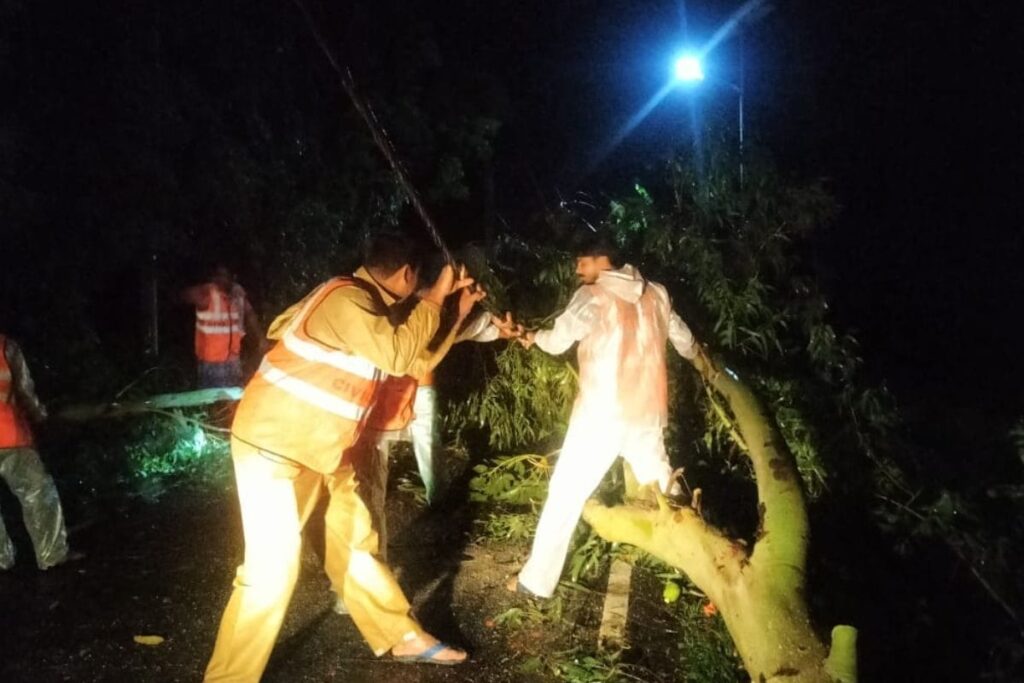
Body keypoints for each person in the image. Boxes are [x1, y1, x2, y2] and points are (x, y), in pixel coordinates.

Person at [204, 232, 475, 682]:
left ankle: (399, 634)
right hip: (274, 448)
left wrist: (454, 310)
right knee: (271, 573)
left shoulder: (367, 306)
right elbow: (397, 353)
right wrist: (435, 295)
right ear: (408, 275)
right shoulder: (345, 300)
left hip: (323, 450)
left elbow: (413, 360)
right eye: (418, 282)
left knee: (354, 544)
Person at [507, 235, 701, 599]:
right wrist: (706, 364)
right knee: (666, 488)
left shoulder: (592, 296)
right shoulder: (658, 293)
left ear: (602, 261)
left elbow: (556, 342)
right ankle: (700, 564)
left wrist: (533, 337)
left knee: (565, 494)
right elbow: (685, 341)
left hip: (601, 417)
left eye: (583, 261)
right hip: (647, 415)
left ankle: (535, 582)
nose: (578, 269)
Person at [0, 334, 79, 571]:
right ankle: (52, 556)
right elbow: (24, 390)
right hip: (9, 435)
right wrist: (40, 416)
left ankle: (2, 560)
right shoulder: (5, 346)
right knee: (38, 494)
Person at [182, 264, 262, 388]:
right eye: (218, 276)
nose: (220, 279)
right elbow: (185, 295)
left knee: (233, 400)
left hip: (233, 360)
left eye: (224, 276)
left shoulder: (238, 294)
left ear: (232, 278)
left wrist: (261, 339)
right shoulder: (207, 294)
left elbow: (250, 314)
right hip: (211, 363)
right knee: (213, 401)